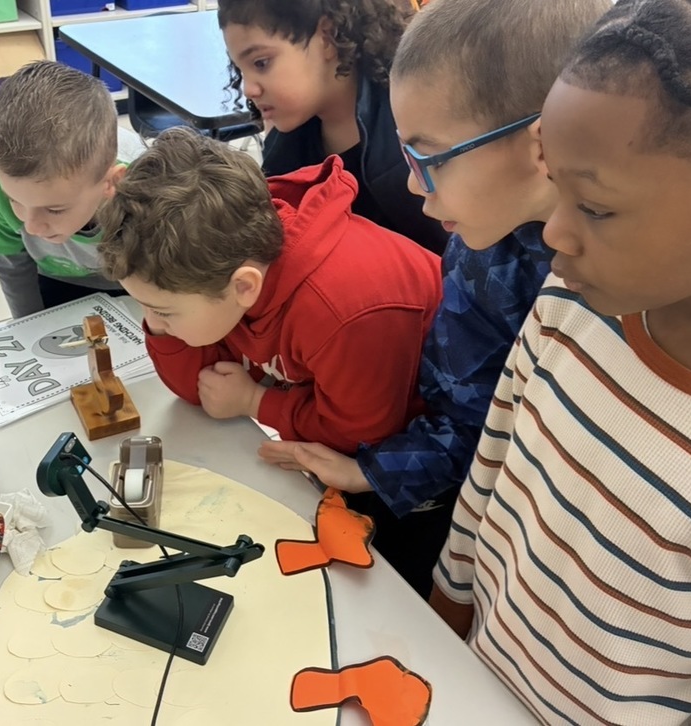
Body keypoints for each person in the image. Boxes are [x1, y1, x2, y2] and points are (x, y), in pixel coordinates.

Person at [430, 0, 691, 722]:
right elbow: (493, 467)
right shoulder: (571, 298)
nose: (554, 233)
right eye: (558, 190)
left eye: (596, 207)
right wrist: (442, 611)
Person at [260, 0, 610, 598]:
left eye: (428, 157)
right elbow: (463, 414)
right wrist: (367, 470)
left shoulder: (624, 279)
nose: (414, 184)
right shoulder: (480, 250)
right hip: (493, 549)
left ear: (542, 145)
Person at [97, 127, 442, 454]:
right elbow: (202, 389)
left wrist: (255, 402)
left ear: (245, 287)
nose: (153, 320)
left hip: (430, 449)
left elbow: (362, 438)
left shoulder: (342, 313)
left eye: (162, 311)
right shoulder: (221, 262)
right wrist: (163, 323)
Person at [216, 0, 448, 255]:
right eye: (240, 69)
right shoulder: (287, 149)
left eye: (261, 63)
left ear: (327, 37)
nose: (248, 89)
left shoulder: (417, 124)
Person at [0, 61, 146, 318]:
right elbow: (14, 266)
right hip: (58, 279)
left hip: (139, 280)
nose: (31, 227)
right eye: (15, 201)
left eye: (54, 209)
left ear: (111, 183)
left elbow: (167, 281)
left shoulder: (146, 191)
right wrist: (29, 325)